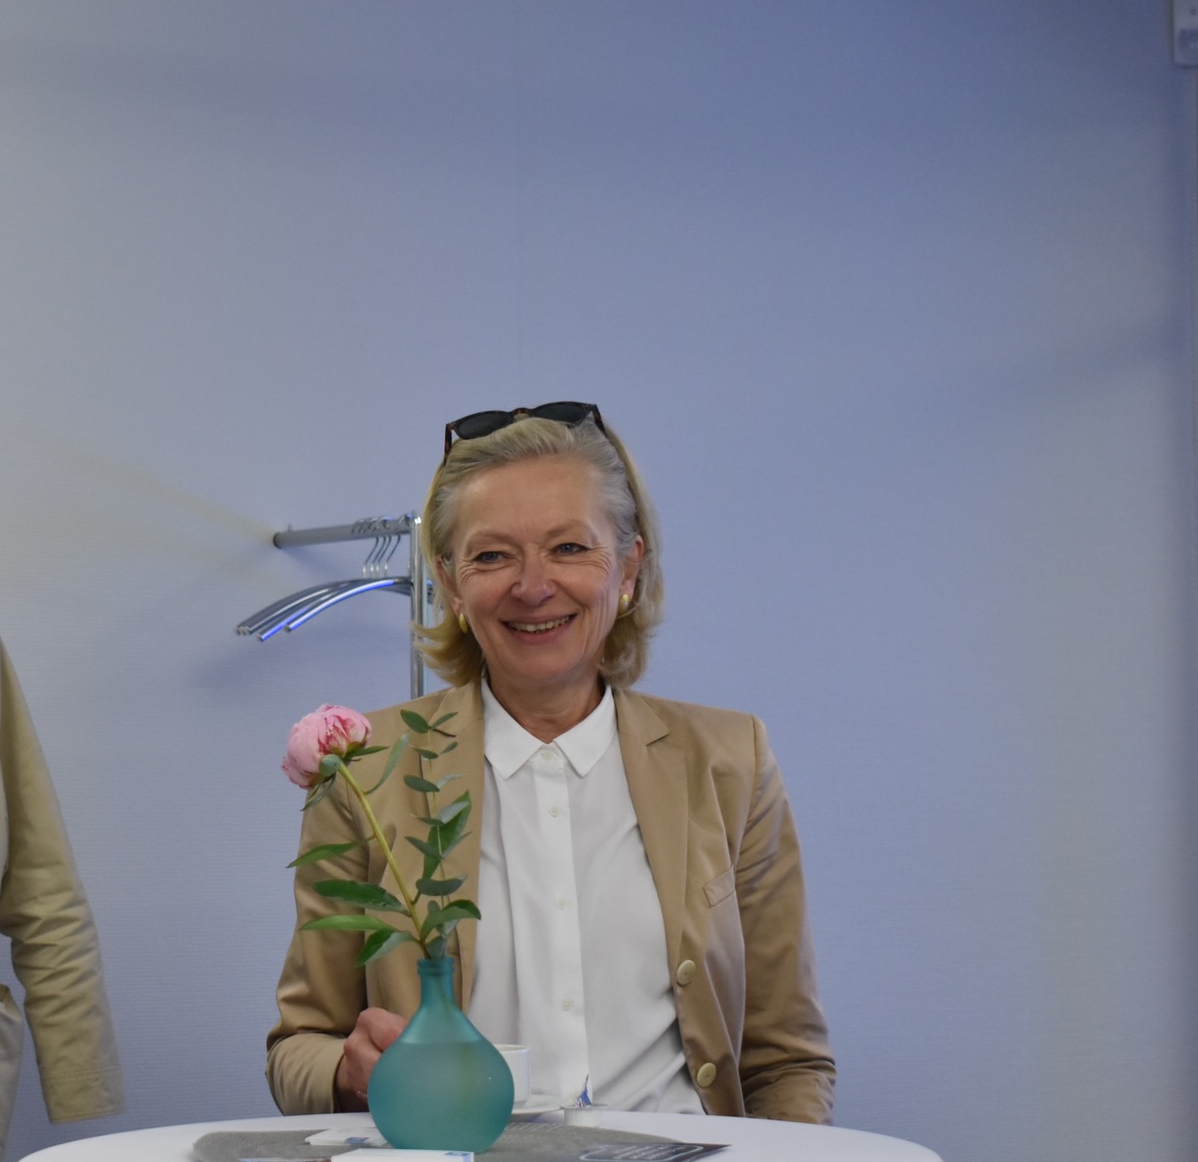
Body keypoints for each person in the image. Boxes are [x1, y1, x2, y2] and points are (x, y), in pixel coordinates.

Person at [268, 403, 833, 1122]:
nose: (533, 586)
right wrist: (352, 1074)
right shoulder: (364, 769)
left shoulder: (730, 761)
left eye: (569, 547)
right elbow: (298, 1049)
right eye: (492, 556)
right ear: (450, 583)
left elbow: (787, 1062)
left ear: (628, 568)